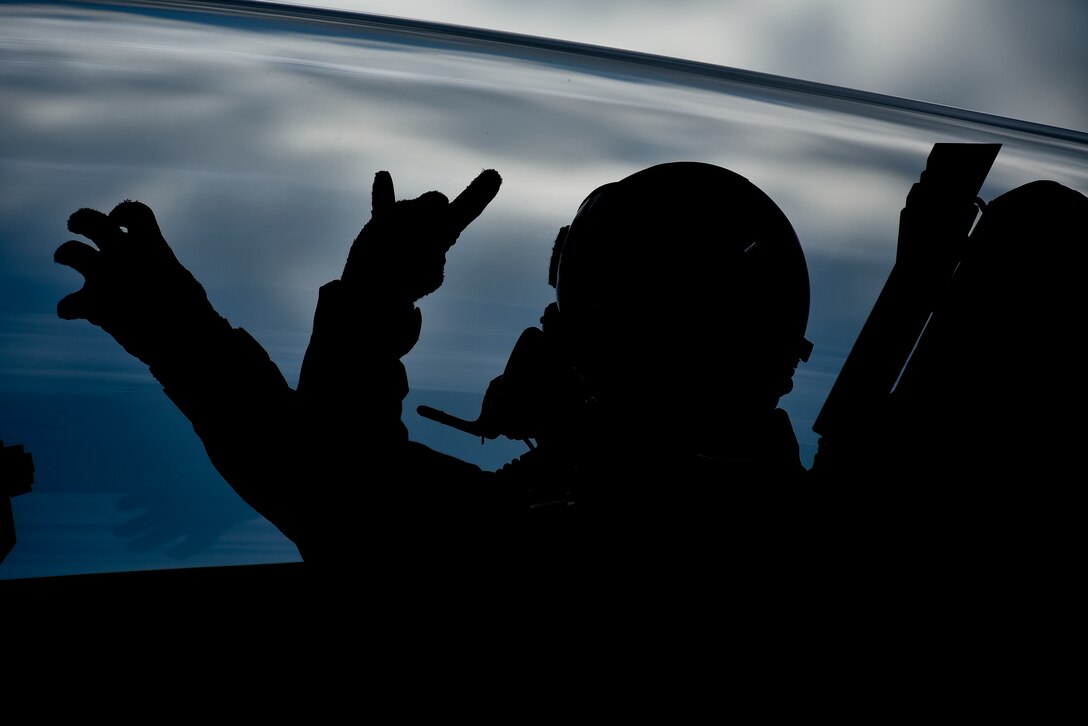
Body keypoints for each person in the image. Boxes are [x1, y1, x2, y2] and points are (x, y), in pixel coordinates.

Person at [53, 161, 815, 584]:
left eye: (578, 313)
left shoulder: (596, 538)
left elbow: (336, 497)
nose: (546, 335)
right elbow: (340, 485)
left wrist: (371, 301)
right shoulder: (740, 514)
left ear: (657, 353)